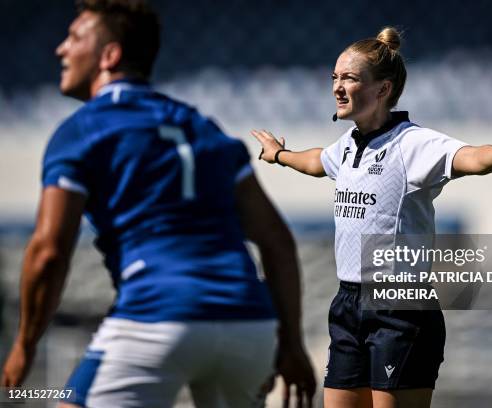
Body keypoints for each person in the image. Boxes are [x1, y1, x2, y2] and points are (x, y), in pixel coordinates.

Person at [0, 0, 316, 407]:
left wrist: (25, 345)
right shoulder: (202, 126)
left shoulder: (83, 129)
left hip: (157, 315)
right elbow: (276, 240)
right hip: (248, 322)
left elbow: (47, 252)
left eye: (75, 37)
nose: (61, 49)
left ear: (109, 56)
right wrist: (290, 343)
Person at [251, 27, 492, 408]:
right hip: (348, 303)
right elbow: (316, 161)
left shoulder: (414, 143)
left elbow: (473, 158)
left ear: (383, 89)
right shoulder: (348, 145)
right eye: (334, 77)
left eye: (349, 78)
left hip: (400, 306)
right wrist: (280, 155)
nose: (337, 87)